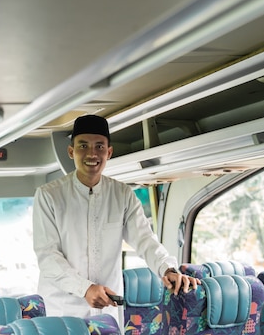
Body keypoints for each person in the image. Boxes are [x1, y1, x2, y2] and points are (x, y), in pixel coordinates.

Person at [32, 114, 199, 321]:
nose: (92, 153)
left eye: (99, 147)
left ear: (109, 152)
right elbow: (48, 257)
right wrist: (85, 289)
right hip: (62, 310)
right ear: (71, 151)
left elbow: (145, 240)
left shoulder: (122, 194)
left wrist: (167, 269)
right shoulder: (49, 195)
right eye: (83, 146)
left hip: (107, 312)